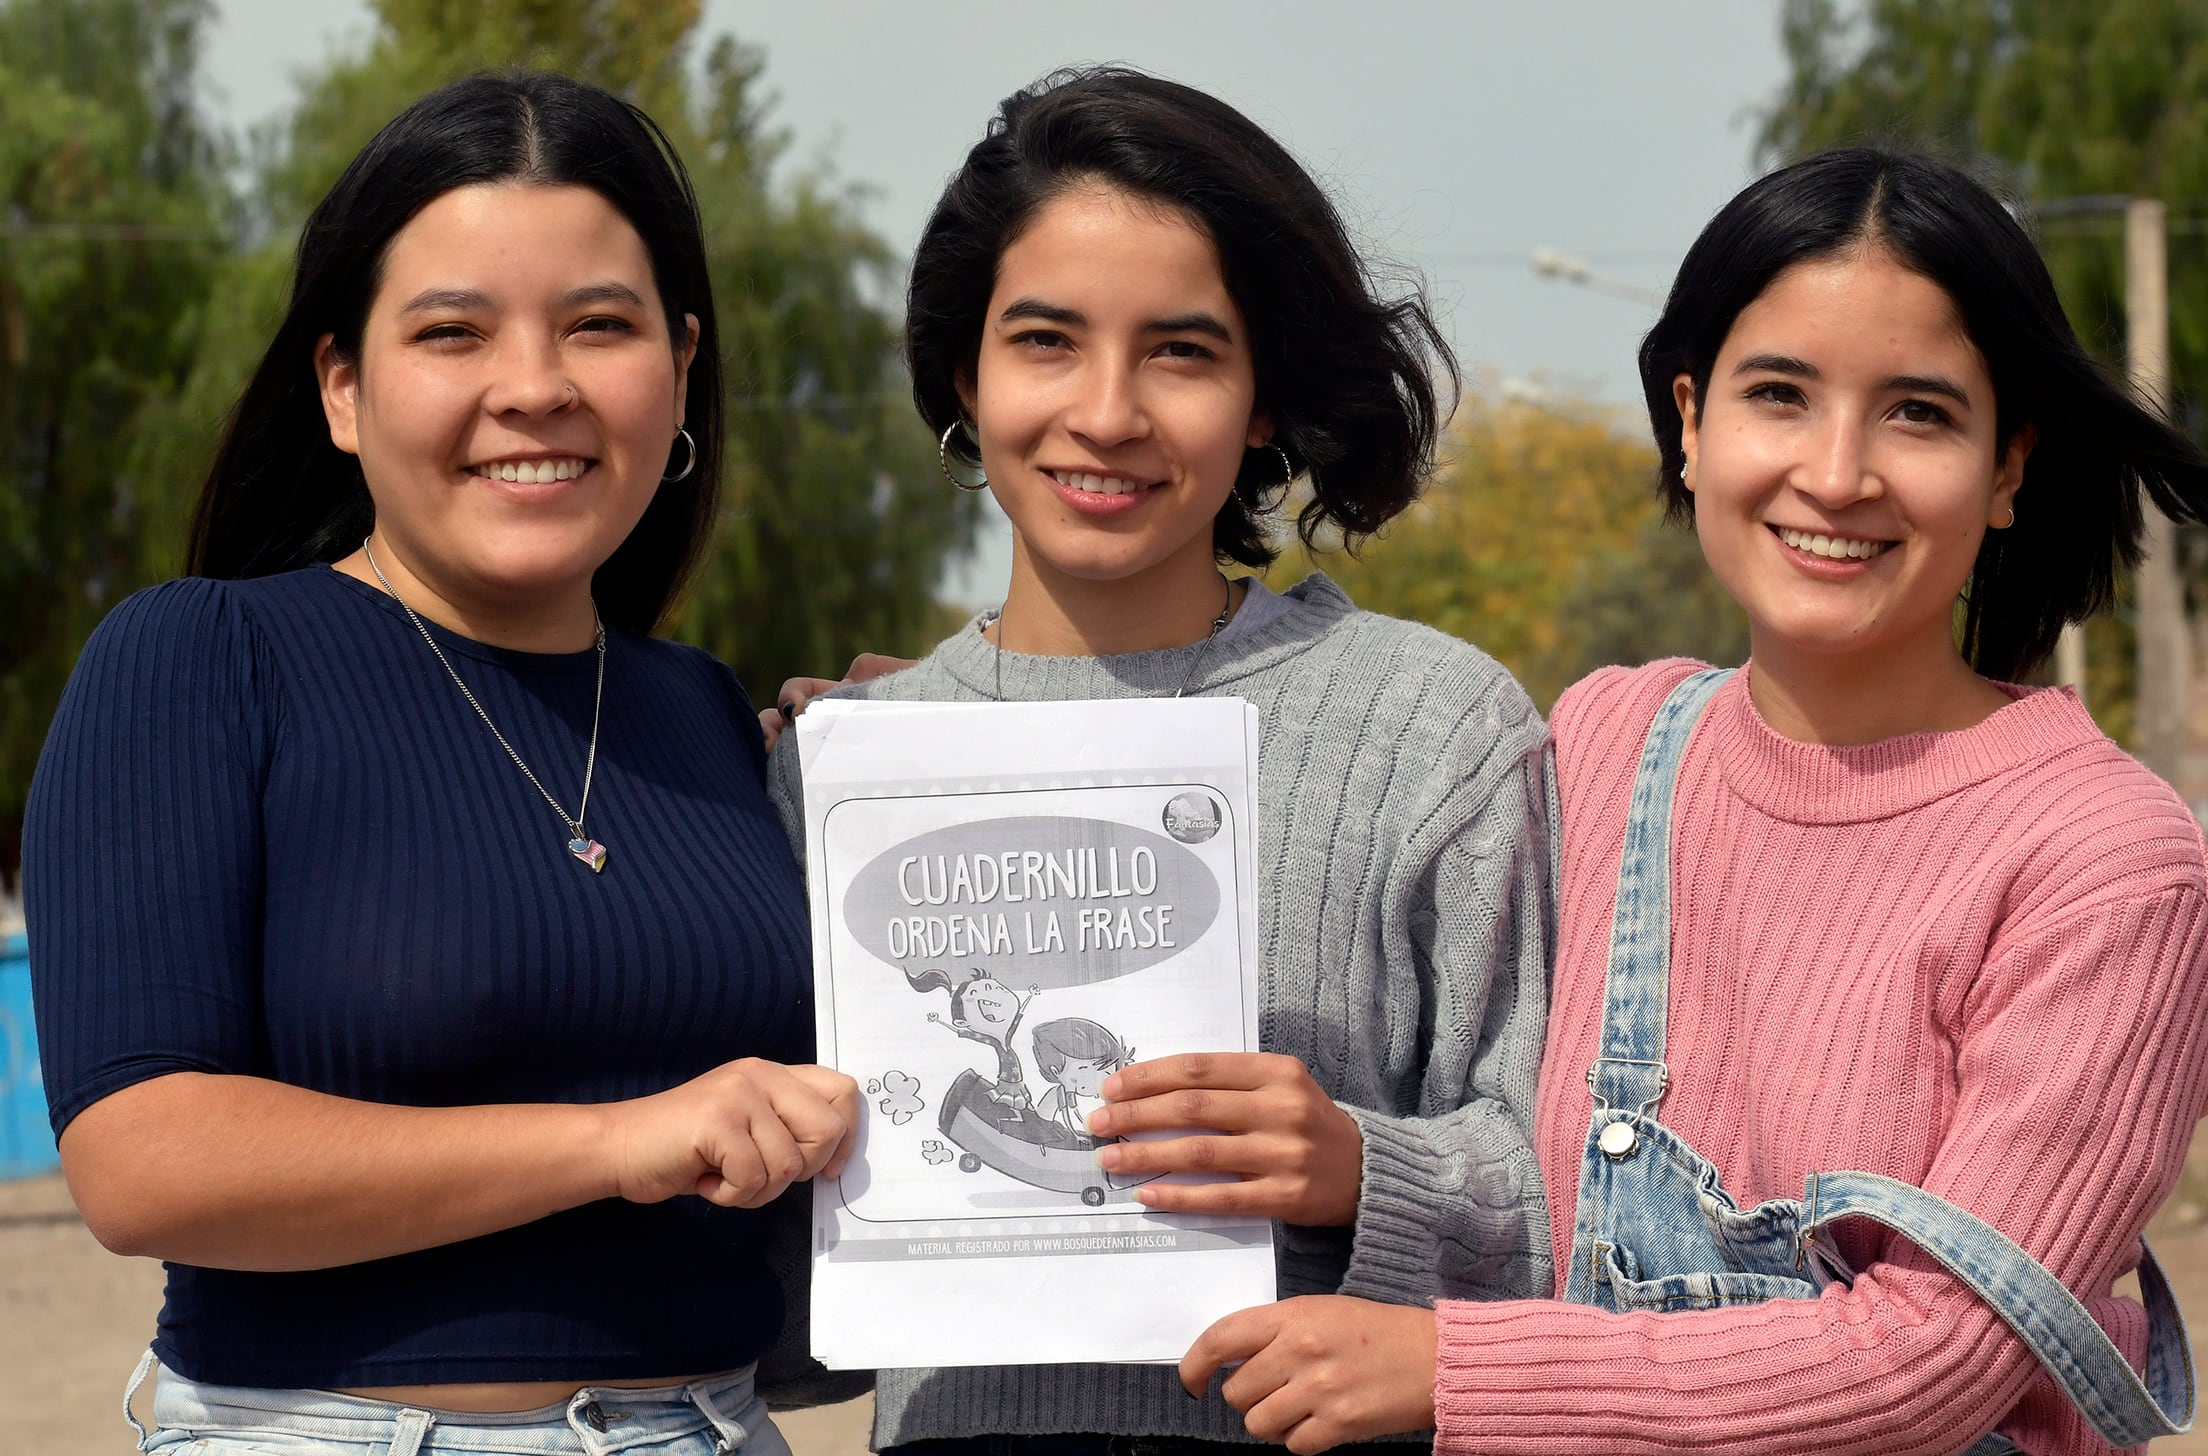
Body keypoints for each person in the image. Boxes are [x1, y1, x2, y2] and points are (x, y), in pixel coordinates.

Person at [1180, 148, 2208, 1456]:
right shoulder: (1609, 740)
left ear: (2010, 467)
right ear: (1690, 419)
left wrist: (1460, 1371)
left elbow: (1938, 1360)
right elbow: (1364, 874)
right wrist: (969, 730)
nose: (1838, 475)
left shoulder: (2107, 864)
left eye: (1919, 414)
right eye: (1780, 394)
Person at [24, 72, 857, 1456]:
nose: (534, 389)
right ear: (343, 389)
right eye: (452, 332)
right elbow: (142, 1161)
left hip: (715, 1429)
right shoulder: (201, 658)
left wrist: (935, 769)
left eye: (601, 325)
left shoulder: (706, 712)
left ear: (683, 365)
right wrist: (619, 1141)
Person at [767, 65, 1554, 1455]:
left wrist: (1360, 1167)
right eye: (1046, 342)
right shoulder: (838, 777)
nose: (1110, 412)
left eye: (1183, 352)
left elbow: (1569, 1198)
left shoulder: (1437, 729)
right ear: (965, 373)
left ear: (1264, 399)